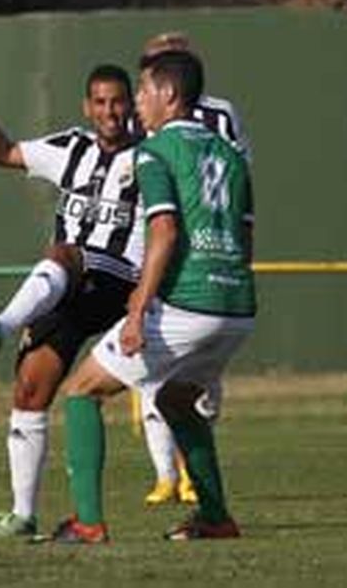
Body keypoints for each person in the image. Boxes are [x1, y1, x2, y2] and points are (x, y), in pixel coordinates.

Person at [0, 65, 178, 539]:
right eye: (100, 102)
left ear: (130, 104)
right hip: (69, 285)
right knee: (29, 389)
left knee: (63, 252)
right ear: (87, 107)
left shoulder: (153, 153)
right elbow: (5, 152)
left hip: (119, 283)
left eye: (117, 101)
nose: (109, 111)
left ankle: (1, 325)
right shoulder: (70, 147)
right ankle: (23, 514)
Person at [51, 49, 256, 545]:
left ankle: (88, 522)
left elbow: (162, 232)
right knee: (176, 400)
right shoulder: (229, 153)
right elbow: (244, 236)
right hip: (236, 307)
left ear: (168, 95)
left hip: (187, 304)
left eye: (142, 91)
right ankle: (215, 518)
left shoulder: (155, 150)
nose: (136, 102)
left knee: (81, 392)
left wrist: (138, 310)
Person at [132, 31, 250, 506]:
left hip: (199, 252)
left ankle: (91, 521)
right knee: (153, 380)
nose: (141, 95)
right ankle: (169, 476)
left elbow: (235, 178)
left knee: (92, 387)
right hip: (171, 243)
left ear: (173, 83)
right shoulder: (147, 126)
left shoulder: (219, 116)